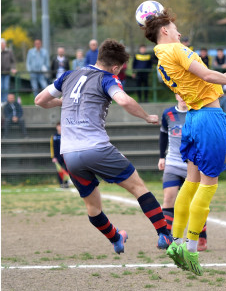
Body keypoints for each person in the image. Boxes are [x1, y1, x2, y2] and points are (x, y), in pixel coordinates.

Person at [143, 8, 226, 276]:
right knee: (208, 185)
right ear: (164, 31)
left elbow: (200, 81)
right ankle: (193, 250)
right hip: (209, 118)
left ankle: (176, 243)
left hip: (194, 119)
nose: (179, 32)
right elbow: (207, 76)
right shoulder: (176, 50)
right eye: (174, 28)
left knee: (192, 182)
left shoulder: (161, 59)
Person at [34, 39, 172, 254]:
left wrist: (65, 101)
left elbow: (40, 100)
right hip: (96, 148)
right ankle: (164, 234)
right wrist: (146, 116)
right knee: (138, 187)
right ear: (115, 67)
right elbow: (124, 101)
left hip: (70, 155)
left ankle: (116, 238)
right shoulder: (107, 79)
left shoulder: (69, 75)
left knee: (93, 207)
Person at [159, 94, 208, 252]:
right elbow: (163, 135)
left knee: (196, 203)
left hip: (193, 165)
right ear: (175, 94)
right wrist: (161, 157)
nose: (182, 96)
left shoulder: (198, 113)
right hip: (172, 162)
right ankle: (166, 237)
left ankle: (201, 237)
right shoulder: (168, 114)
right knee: (168, 198)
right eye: (179, 93)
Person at [50, 122, 71, 188]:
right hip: (58, 156)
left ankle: (66, 183)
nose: (60, 127)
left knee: (67, 169)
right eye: (59, 126)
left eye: (61, 126)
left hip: (65, 155)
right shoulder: (54, 136)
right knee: (59, 170)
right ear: (56, 127)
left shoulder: (66, 135)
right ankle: (61, 183)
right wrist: (53, 157)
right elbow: (52, 147)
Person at [1, 38, 17, 104]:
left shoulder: (9, 52)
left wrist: (13, 68)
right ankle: (1, 100)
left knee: (6, 87)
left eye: (3, 44)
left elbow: (13, 61)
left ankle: (4, 101)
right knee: (1, 86)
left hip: (7, 72)